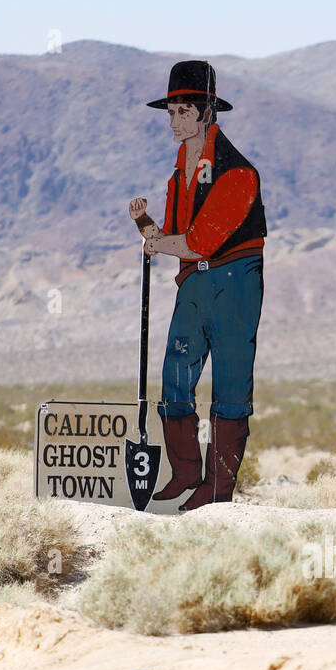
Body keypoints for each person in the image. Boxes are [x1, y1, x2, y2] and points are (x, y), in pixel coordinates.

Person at [128, 60, 266, 510]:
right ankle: (184, 473)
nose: (173, 121)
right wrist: (145, 225)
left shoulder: (236, 173)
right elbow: (170, 235)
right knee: (175, 377)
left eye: (183, 111)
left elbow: (200, 240)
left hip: (233, 281)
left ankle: (218, 486)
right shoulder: (177, 175)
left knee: (230, 384)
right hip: (194, 282)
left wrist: (162, 243)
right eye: (170, 112)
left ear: (206, 113)